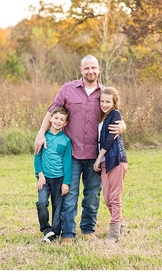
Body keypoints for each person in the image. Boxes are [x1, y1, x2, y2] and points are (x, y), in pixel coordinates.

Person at [33, 55, 126, 246]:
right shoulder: (68, 89)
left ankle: (88, 229)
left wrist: (123, 125)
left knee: (92, 195)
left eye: (93, 68)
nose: (90, 71)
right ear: (81, 70)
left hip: (96, 155)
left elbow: (115, 113)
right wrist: (40, 134)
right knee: (69, 194)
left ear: (99, 68)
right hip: (72, 154)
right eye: (86, 68)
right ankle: (68, 232)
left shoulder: (104, 93)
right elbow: (51, 112)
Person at [92, 87, 128, 243]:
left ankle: (114, 234)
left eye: (108, 101)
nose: (104, 104)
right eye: (102, 101)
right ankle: (120, 226)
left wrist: (99, 157)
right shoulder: (103, 117)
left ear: (114, 102)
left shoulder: (115, 115)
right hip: (106, 161)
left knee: (114, 197)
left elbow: (110, 139)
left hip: (115, 160)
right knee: (107, 198)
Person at [34, 106, 72, 243]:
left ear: (65, 123)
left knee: (58, 208)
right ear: (50, 118)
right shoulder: (43, 137)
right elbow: (37, 157)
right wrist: (40, 175)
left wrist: (66, 182)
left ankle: (54, 233)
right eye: (56, 118)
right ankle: (46, 229)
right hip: (45, 179)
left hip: (59, 179)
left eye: (62, 119)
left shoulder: (66, 141)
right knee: (41, 202)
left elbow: (67, 163)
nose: (58, 121)